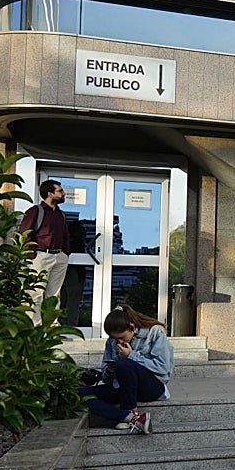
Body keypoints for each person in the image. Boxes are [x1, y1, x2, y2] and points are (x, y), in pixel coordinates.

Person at [80, 305, 174, 434]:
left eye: (122, 337)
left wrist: (131, 356)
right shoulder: (111, 342)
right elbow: (106, 376)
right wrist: (109, 371)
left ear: (132, 327)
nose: (118, 341)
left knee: (124, 363)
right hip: (122, 387)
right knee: (79, 395)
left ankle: (130, 410)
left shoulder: (155, 332)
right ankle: (129, 417)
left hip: (151, 386)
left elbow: (163, 368)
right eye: (114, 338)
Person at [18, 179, 70, 325]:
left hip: (59, 256)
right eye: (60, 191)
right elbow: (25, 233)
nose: (64, 193)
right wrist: (32, 255)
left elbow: (65, 235)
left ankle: (52, 326)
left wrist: (65, 253)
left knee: (54, 294)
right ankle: (34, 326)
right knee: (35, 292)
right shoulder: (36, 211)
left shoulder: (61, 214)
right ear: (50, 194)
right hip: (41, 255)